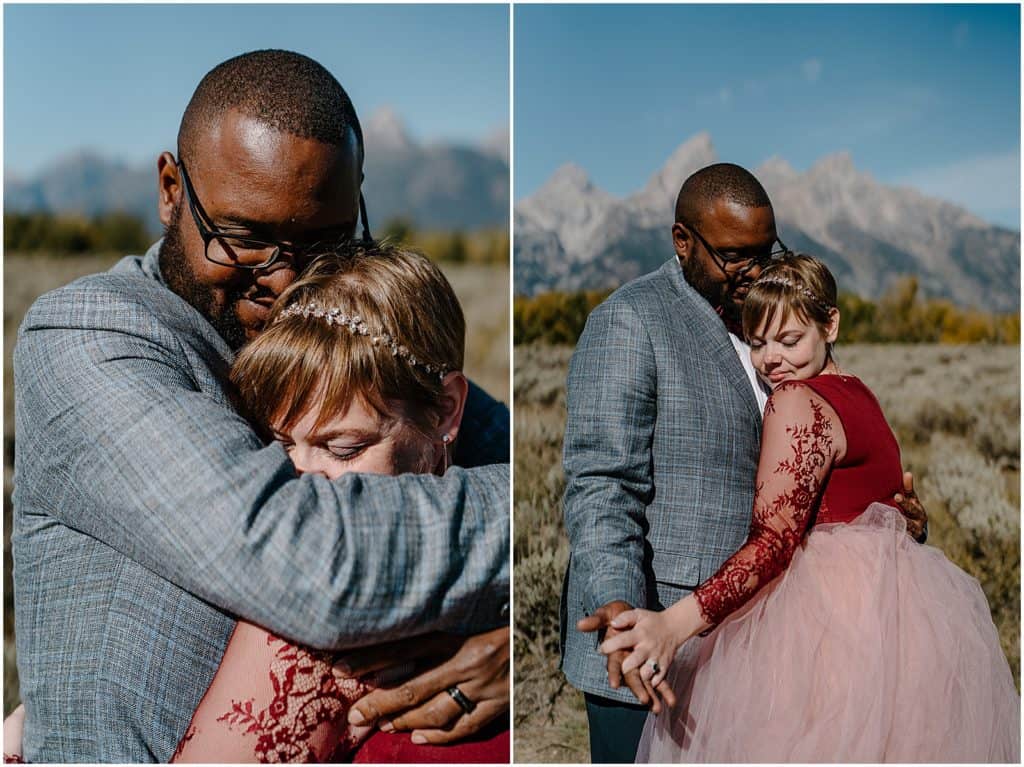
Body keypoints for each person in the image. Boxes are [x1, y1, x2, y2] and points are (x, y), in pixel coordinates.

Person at [11, 50, 509, 763]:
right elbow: (305, 562)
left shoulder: (348, 338)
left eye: (324, 242)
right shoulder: (90, 335)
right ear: (170, 189)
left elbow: (490, 450)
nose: (284, 278)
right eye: (245, 237)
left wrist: (508, 635)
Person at [561, 163, 926, 763]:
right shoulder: (630, 321)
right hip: (655, 640)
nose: (754, 270)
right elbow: (603, 483)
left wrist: (894, 518)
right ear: (683, 241)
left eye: (765, 251)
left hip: (763, 645)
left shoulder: (774, 322)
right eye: (735, 255)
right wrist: (623, 614)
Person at [602, 254, 1020, 763]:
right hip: (896, 625)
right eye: (757, 344)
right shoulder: (860, 393)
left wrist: (673, 625)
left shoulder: (796, 401)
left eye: (789, 340)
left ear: (831, 324)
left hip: (825, 629)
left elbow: (774, 542)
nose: (771, 360)